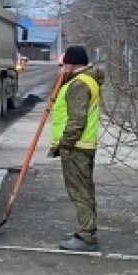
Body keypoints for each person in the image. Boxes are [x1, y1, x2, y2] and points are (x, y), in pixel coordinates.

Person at [48, 45, 105, 252]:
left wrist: (65, 144)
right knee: (84, 190)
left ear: (71, 64)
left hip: (76, 147)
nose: (62, 69)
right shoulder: (86, 80)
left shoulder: (79, 84)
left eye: (64, 65)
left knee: (80, 191)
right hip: (83, 145)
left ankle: (86, 236)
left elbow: (76, 119)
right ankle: (86, 231)